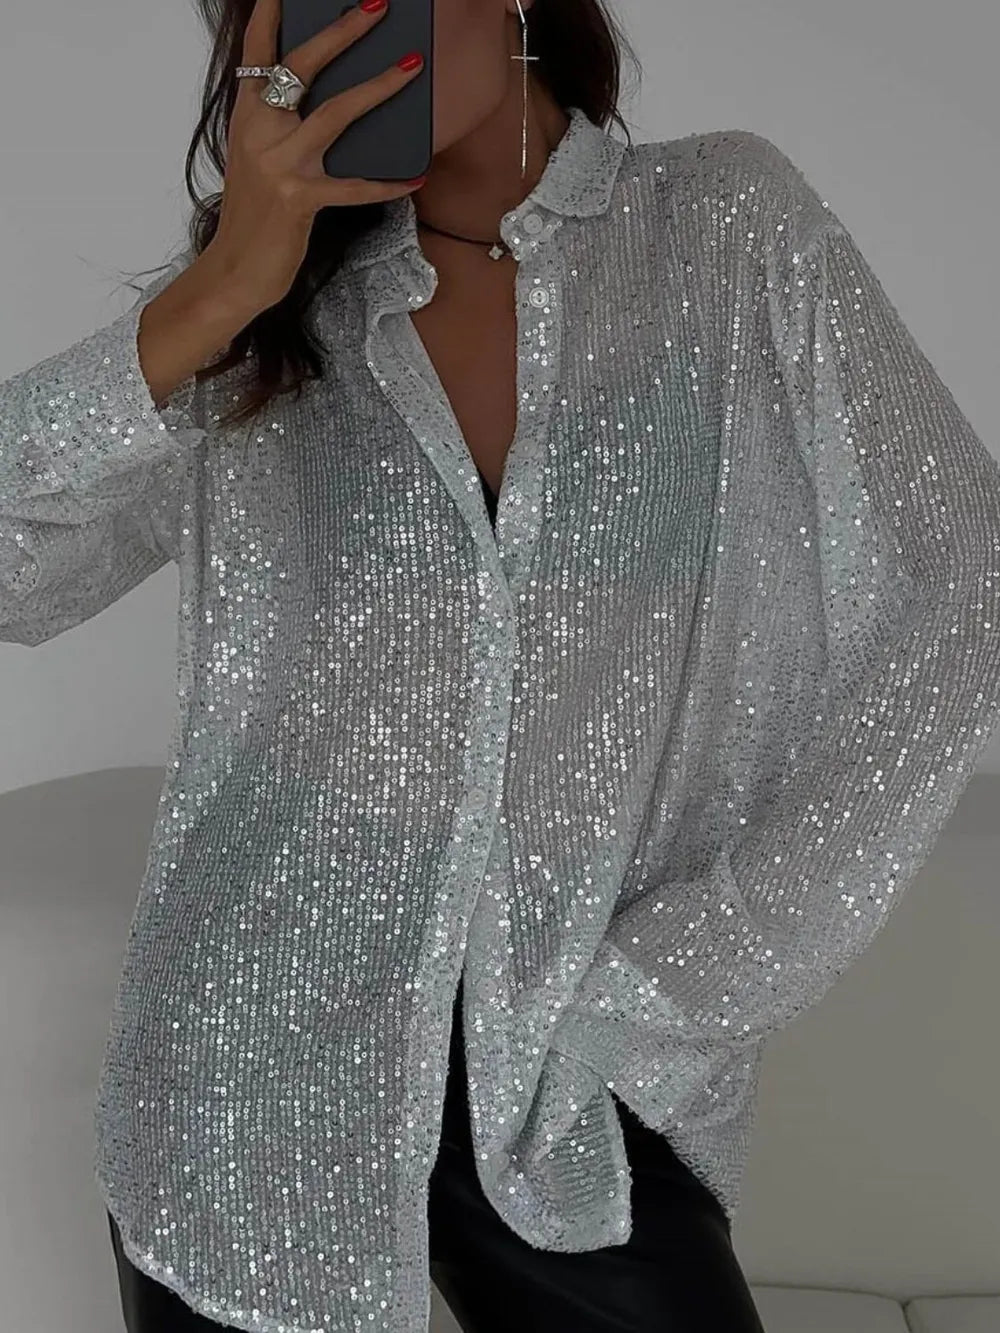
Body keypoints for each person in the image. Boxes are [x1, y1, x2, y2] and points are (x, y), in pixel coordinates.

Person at [3, 0, 999, 1329]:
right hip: (247, 1068)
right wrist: (222, 286)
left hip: (570, 1061)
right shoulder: (264, 309)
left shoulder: (724, 224)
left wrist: (694, 968)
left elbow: (967, 586)